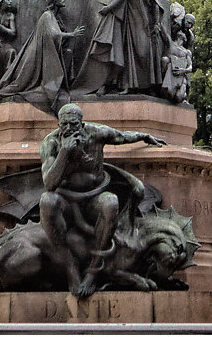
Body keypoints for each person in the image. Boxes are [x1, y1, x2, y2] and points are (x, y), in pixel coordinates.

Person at [39, 103, 166, 296]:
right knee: (47, 200)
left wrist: (144, 136)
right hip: (65, 200)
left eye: (73, 124)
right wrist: (64, 153)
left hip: (93, 198)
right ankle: (70, 265)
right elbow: (49, 183)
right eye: (64, 124)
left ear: (81, 123)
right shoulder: (51, 143)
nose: (68, 129)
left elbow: (122, 136)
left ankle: (94, 269)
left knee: (111, 202)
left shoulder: (96, 133)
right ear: (59, 124)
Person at [0, 0, 85, 115]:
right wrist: (72, 34)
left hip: (47, 54)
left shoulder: (55, 18)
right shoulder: (47, 15)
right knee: (20, 83)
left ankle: (61, 86)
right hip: (35, 55)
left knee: (67, 54)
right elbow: (52, 34)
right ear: (54, 1)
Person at [106, 0, 168, 95]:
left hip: (143, 25)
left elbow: (155, 4)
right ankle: (129, 86)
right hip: (129, 25)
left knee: (144, 54)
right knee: (129, 54)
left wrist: (156, 24)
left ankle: (151, 86)